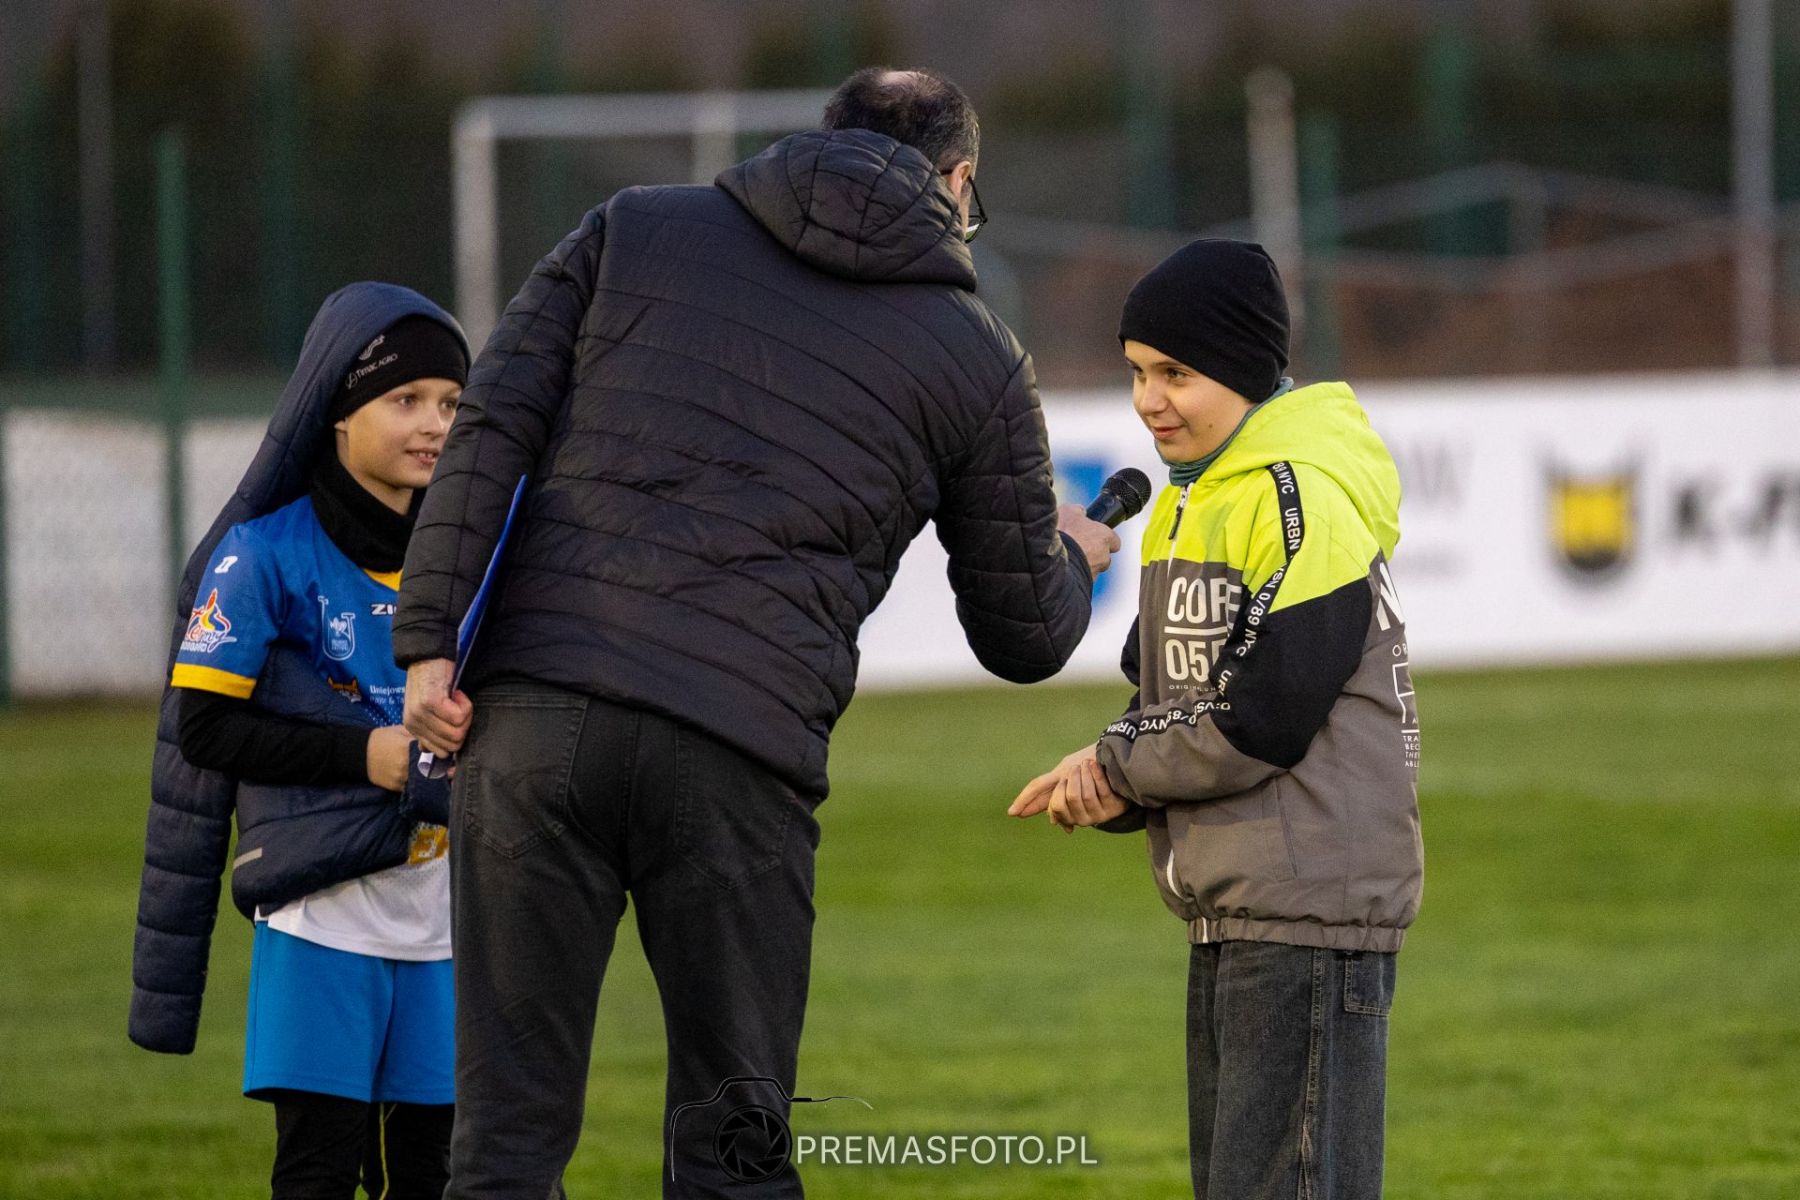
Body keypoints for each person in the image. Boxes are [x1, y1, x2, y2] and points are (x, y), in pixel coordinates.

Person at [395, 67, 1118, 1196]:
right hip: (739, 748)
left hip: (535, 711)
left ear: (821, 140)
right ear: (958, 180)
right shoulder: (979, 354)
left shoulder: (632, 226)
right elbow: (1024, 635)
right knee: (733, 1153)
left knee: (503, 1148)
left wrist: (429, 638)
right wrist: (1074, 551)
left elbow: (491, 426)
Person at [1009, 239, 1424, 1200]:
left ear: (1241, 369)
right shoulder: (1190, 501)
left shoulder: (1299, 496)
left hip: (1307, 913)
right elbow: (1163, 703)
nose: (1149, 400)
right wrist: (1108, 780)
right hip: (1237, 908)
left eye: (1176, 374)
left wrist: (1114, 766)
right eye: (1137, 373)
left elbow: (1262, 716)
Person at [130, 284, 470, 1199]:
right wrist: (366, 757)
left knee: (437, 1173)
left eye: (450, 403)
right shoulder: (262, 555)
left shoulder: (469, 565)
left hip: (448, 922)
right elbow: (203, 726)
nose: (433, 424)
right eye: (406, 399)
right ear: (337, 410)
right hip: (321, 921)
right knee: (317, 1169)